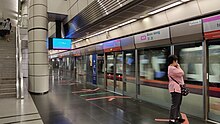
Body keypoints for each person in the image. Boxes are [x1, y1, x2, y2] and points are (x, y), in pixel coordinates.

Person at [167, 55, 185, 124]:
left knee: (178, 104)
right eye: (176, 61)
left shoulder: (173, 68)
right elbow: (182, 73)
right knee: (175, 104)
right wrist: (178, 66)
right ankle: (172, 119)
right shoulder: (172, 68)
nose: (177, 62)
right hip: (175, 89)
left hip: (178, 88)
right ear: (173, 61)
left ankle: (177, 117)